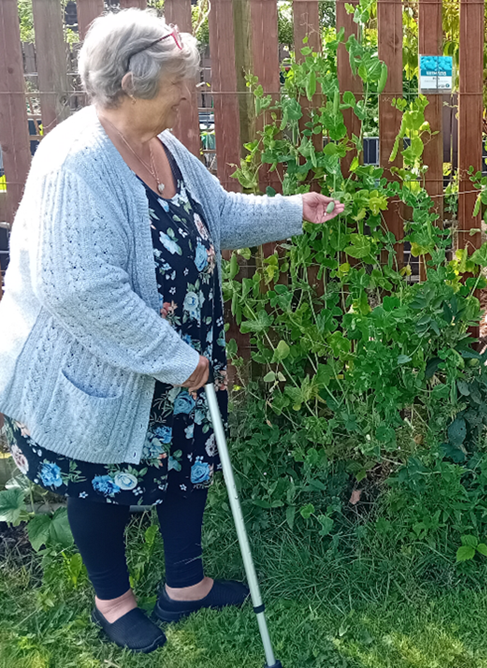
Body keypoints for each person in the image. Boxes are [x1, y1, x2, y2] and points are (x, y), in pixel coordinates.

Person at [0, 10, 344, 652]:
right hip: (103, 365)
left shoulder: (162, 144)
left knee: (189, 463)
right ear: (132, 83)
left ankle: (185, 585)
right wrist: (174, 358)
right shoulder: (74, 163)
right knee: (100, 479)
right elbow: (80, 291)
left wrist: (295, 211)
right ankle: (113, 601)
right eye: (178, 83)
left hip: (180, 359)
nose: (189, 94)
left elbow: (216, 214)